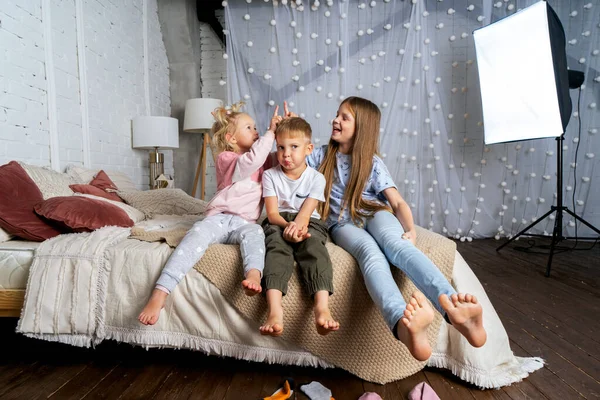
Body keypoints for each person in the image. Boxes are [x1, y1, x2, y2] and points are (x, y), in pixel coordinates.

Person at [303, 97, 486, 360]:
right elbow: (289, 158)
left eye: (344, 117)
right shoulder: (319, 155)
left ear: (362, 127)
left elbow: (396, 201)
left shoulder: (373, 164)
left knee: (395, 246)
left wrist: (410, 230)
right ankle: (402, 325)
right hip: (341, 223)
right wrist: (285, 129)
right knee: (370, 253)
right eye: (337, 114)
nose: (335, 120)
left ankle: (454, 307)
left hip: (375, 212)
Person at [138, 102, 281, 325]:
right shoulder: (227, 159)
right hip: (220, 218)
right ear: (232, 139)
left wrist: (281, 131)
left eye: (256, 128)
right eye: (249, 128)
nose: (256, 131)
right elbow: (251, 161)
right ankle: (160, 292)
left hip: (246, 222)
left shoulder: (263, 161)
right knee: (196, 235)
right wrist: (270, 133)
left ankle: (253, 274)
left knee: (256, 235)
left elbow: (280, 159)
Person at [259, 117, 340, 337]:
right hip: (280, 222)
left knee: (314, 248)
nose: (286, 154)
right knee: (276, 248)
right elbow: (272, 213)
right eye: (281, 147)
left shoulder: (317, 178)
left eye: (294, 147)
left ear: (308, 149)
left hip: (308, 221)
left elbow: (306, 213)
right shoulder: (270, 175)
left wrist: (298, 228)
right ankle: (275, 311)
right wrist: (288, 228)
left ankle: (321, 308)